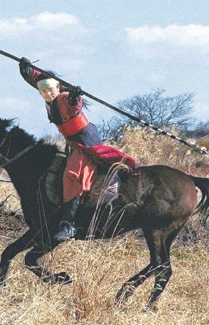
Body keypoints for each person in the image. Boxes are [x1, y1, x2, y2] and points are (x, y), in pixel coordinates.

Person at [18, 57, 136, 241]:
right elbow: (39, 80)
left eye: (50, 90)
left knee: (73, 174)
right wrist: (27, 72)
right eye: (43, 91)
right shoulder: (48, 92)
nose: (47, 94)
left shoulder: (64, 98)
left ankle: (69, 224)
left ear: (58, 88)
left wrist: (75, 97)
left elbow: (75, 105)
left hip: (85, 141)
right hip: (73, 142)